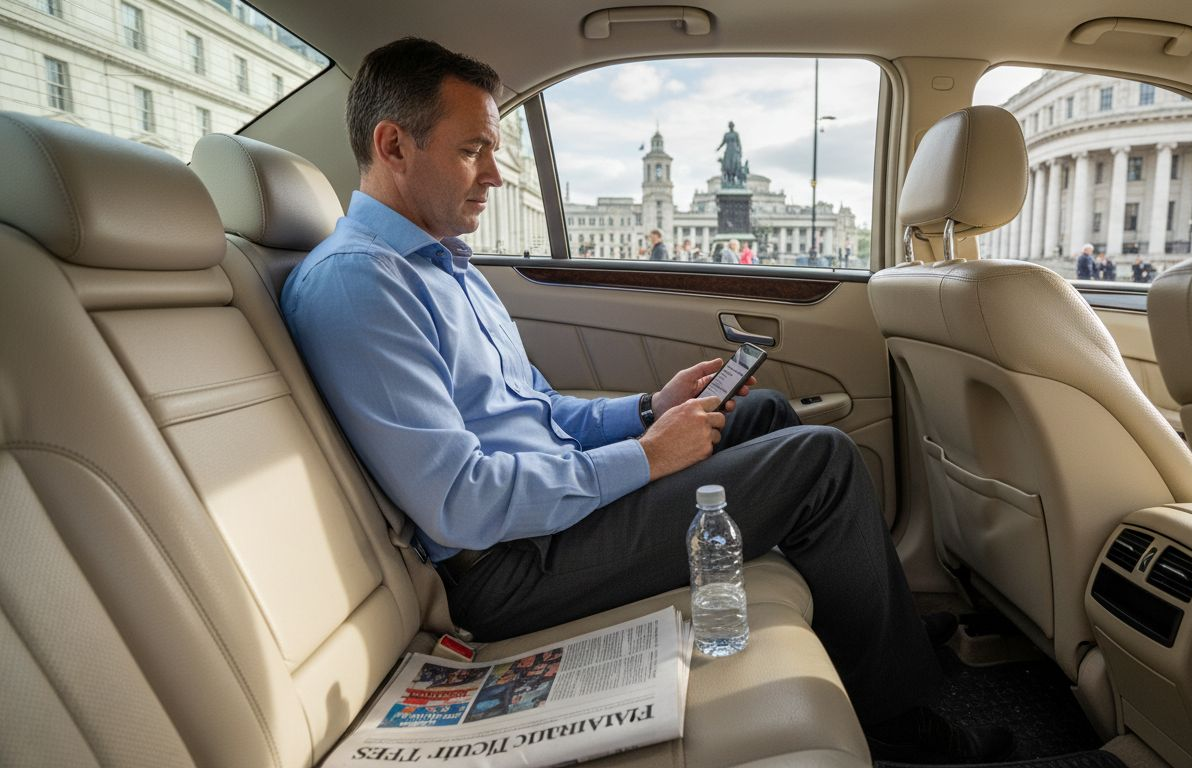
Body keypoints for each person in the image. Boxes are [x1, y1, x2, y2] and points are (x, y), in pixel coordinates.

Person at [282, 38, 1008, 763]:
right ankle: (902, 725)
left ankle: (883, 642)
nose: (495, 176)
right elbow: (459, 502)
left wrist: (647, 411)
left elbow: (536, 410)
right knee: (822, 460)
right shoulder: (362, 284)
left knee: (757, 414)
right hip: (510, 566)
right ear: (393, 145)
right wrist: (645, 458)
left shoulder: (447, 267)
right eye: (474, 150)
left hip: (546, 517)